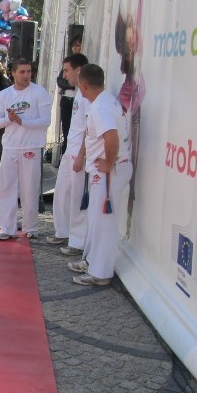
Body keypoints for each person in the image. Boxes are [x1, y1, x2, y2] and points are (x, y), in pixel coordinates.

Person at [67, 64, 132, 286]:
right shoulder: (105, 101)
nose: (80, 92)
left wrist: (108, 164)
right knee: (96, 220)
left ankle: (100, 272)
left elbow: (111, 138)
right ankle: (92, 260)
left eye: (80, 87)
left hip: (109, 172)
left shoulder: (99, 108)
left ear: (84, 85)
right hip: (107, 171)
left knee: (103, 223)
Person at [0, 58, 51, 241]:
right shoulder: (4, 95)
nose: (26, 75)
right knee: (6, 188)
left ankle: (31, 226)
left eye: (28, 71)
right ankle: (6, 227)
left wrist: (22, 121)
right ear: (13, 73)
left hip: (31, 145)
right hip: (10, 146)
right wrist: (11, 119)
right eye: (22, 72)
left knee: (30, 188)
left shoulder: (39, 92)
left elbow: (45, 121)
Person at [48, 53, 90, 253]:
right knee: (62, 192)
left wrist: (81, 155)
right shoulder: (78, 92)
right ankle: (62, 231)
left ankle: (78, 240)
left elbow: (90, 128)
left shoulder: (88, 94)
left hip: (80, 153)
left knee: (76, 198)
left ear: (78, 70)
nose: (64, 75)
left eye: (66, 70)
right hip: (70, 149)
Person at [57, 36, 83, 154]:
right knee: (67, 129)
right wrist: (70, 84)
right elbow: (60, 81)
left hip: (76, 99)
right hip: (66, 99)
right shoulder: (67, 62)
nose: (75, 48)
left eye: (78, 45)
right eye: (73, 46)